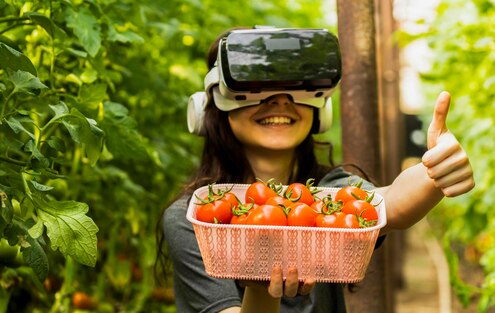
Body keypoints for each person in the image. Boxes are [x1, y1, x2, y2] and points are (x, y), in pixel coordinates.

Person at [158, 27, 474, 313]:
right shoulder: (197, 218)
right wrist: (262, 288)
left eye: (297, 86)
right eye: (257, 84)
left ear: (320, 110)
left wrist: (433, 172)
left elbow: (389, 204)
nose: (280, 100)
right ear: (212, 106)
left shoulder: (328, 193)